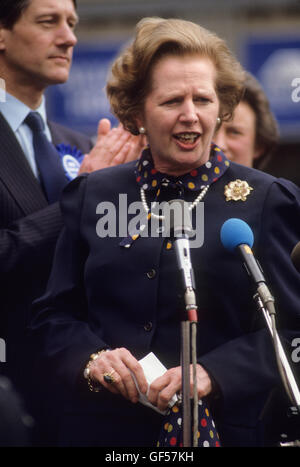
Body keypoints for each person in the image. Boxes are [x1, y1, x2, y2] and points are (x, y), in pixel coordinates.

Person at [29, 17, 300, 447]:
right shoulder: (93, 194)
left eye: (204, 99)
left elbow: (293, 330)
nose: (190, 115)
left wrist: (216, 372)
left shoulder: (269, 199)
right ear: (137, 112)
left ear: (222, 106)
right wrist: (92, 359)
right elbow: (50, 318)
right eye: (172, 100)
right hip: (102, 432)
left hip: (228, 431)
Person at [0, 0, 144, 445]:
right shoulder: (88, 168)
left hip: (85, 404)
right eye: (48, 22)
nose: (69, 37)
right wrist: (78, 196)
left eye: (72, 23)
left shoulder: (83, 146)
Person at [213, 71, 279, 169]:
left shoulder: (277, 185)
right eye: (212, 130)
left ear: (258, 146)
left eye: (234, 132)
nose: (219, 145)